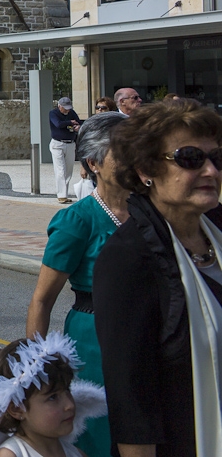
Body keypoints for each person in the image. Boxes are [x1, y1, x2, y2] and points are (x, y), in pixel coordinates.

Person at [93, 99, 222, 456]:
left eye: (217, 158)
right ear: (145, 169)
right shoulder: (127, 260)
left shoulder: (217, 229)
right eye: (191, 158)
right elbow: (132, 403)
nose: (210, 171)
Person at [27, 111, 128, 457]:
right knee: (101, 429)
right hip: (94, 338)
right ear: (93, 162)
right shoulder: (77, 220)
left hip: (149, 330)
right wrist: (36, 371)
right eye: (123, 150)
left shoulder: (152, 213)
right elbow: (42, 300)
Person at [50, 97, 81, 204]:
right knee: (60, 170)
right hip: (58, 144)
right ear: (59, 106)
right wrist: (70, 122)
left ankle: (65, 194)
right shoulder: (53, 113)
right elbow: (58, 124)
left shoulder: (72, 113)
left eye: (68, 108)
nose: (67, 111)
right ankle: (61, 195)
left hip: (70, 143)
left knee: (68, 170)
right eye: (65, 108)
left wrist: (76, 126)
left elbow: (78, 122)